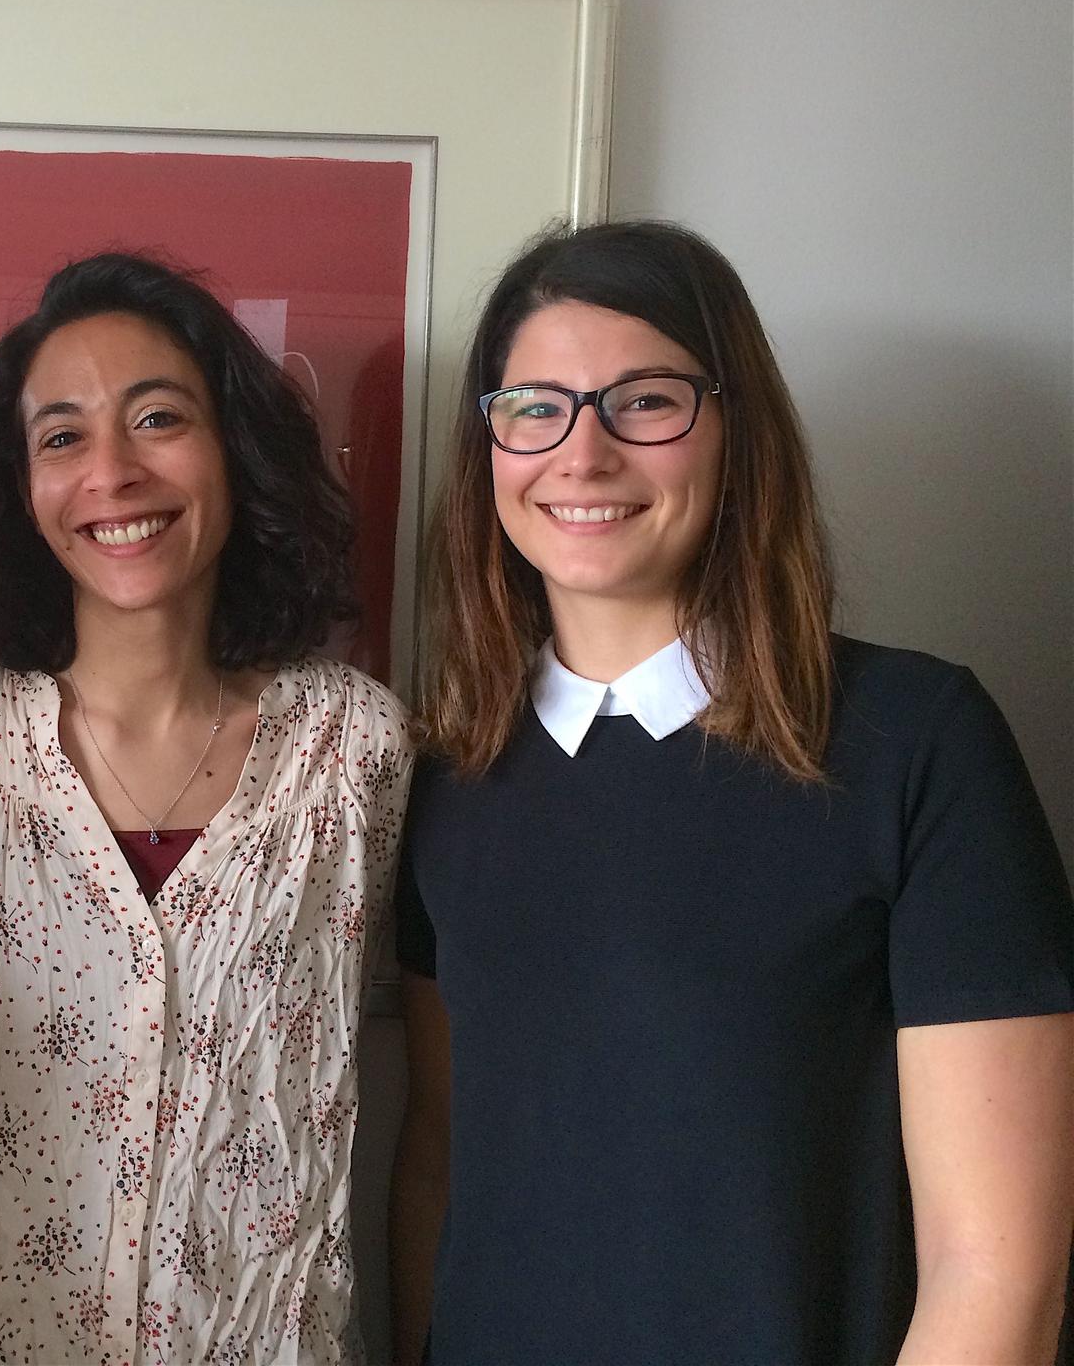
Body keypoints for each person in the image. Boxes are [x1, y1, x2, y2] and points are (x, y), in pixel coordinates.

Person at [388, 219, 1074, 1365]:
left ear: (736, 431)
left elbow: (998, 1274)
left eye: (646, 401)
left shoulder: (915, 742)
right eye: (536, 407)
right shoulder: (447, 776)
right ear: (489, 445)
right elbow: (439, 1168)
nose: (583, 453)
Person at [0, 253, 413, 1364]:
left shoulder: (352, 748)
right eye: (62, 436)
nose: (112, 472)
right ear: (24, 486)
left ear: (234, 448)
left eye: (158, 418)